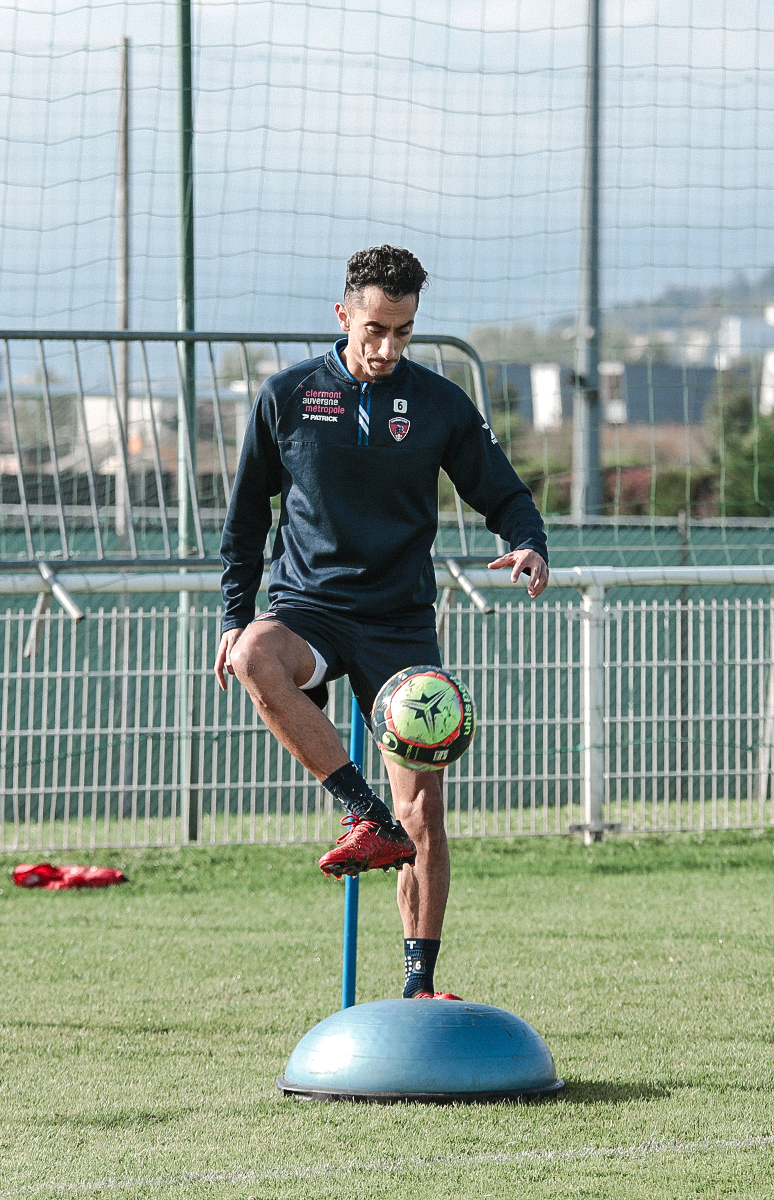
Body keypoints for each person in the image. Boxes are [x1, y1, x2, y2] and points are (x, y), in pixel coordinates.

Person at [215, 245, 549, 1000]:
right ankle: (363, 814)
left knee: (425, 809)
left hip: (400, 625)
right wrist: (236, 616)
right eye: (374, 329)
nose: (387, 347)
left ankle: (419, 988)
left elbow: (503, 492)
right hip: (311, 608)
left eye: (402, 332)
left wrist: (528, 543)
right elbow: (243, 524)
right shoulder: (287, 396)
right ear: (343, 316)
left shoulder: (438, 404)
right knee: (256, 659)